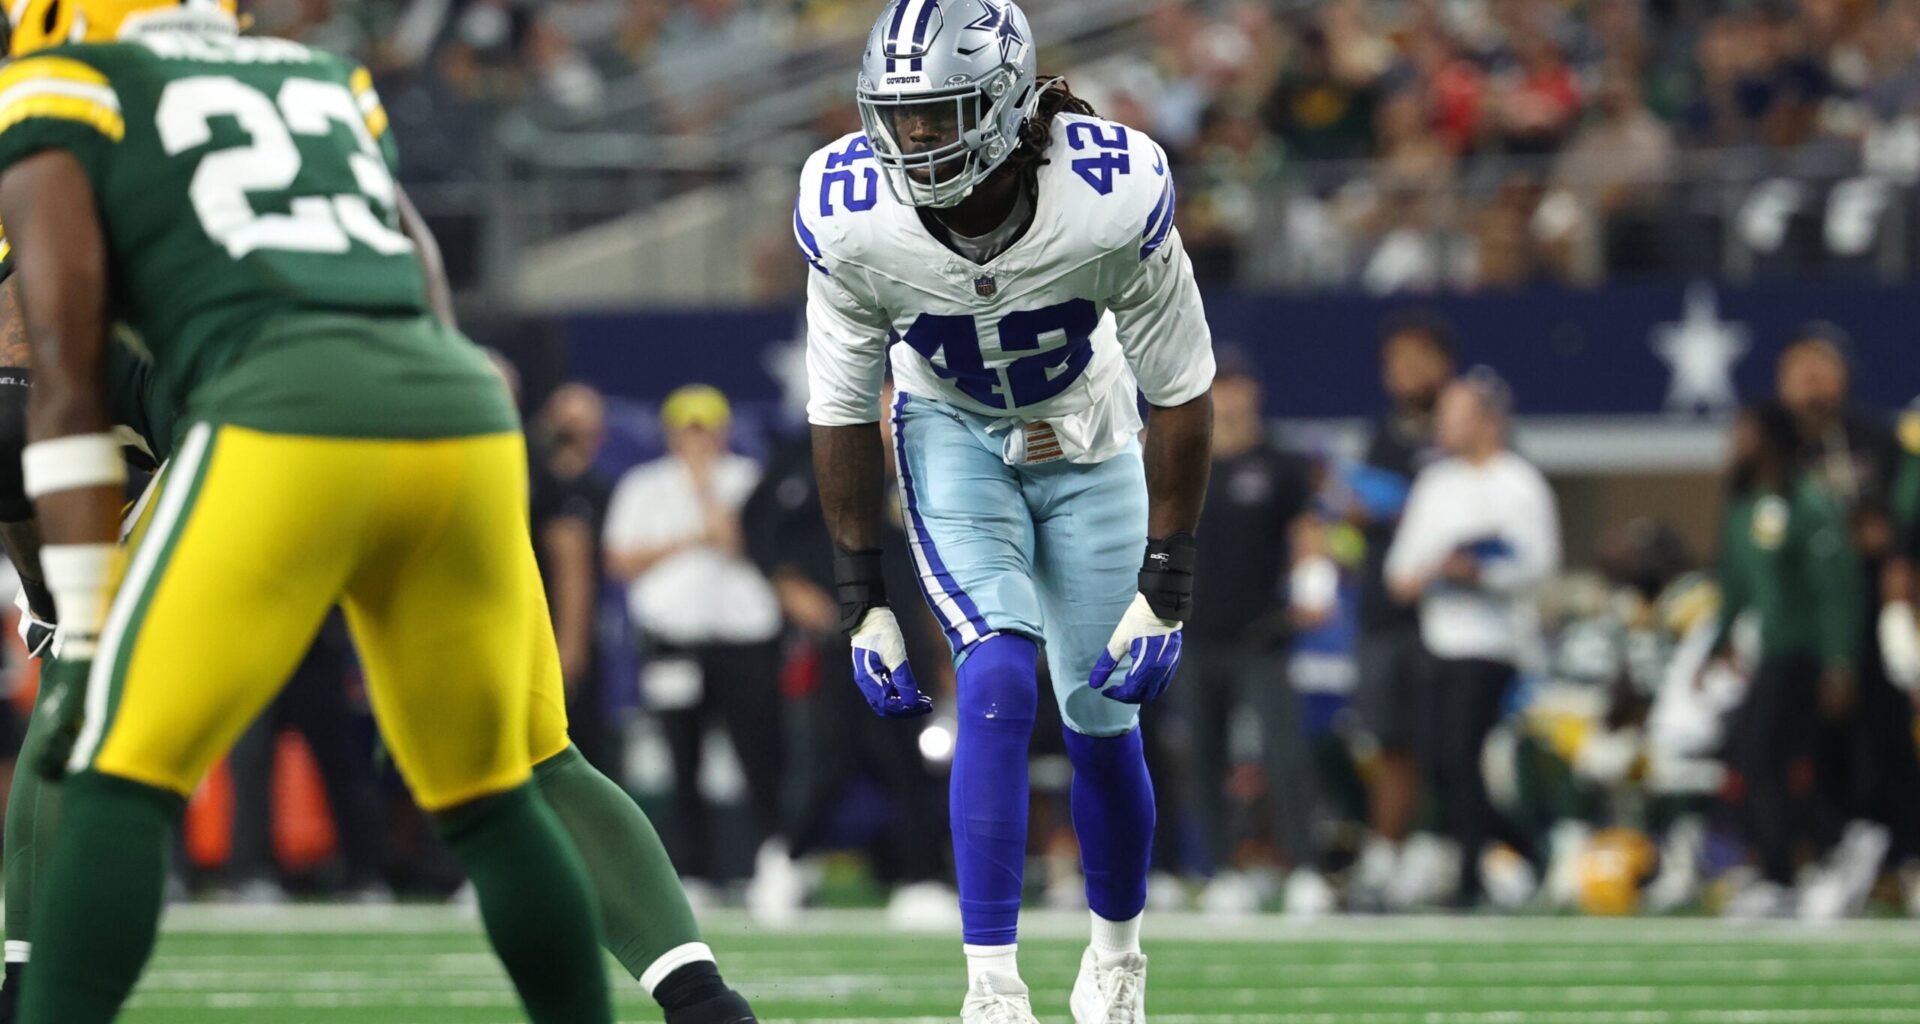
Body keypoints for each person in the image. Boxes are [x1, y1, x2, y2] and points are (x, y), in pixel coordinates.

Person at [0, 7, 752, 1021]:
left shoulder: (68, 89)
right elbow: (414, 254)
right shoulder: (315, 78)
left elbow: (55, 359)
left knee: (109, 760)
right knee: (509, 780)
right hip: (454, 410)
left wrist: (83, 611)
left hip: (280, 417)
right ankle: (709, 1009)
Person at [796, 2, 1216, 1020]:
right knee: (993, 668)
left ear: (1003, 101)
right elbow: (841, 408)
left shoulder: (1110, 194)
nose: (914, 139)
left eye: (941, 114)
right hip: (952, 434)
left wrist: (1168, 578)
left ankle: (1117, 958)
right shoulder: (850, 211)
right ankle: (992, 985)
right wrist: (862, 596)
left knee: (1102, 714)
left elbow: (1185, 391)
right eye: (899, 117)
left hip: (1092, 435)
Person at [603, 384, 793, 918]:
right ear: (671, 434)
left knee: (760, 754)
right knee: (680, 758)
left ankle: (776, 864)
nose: (697, 441)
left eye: (705, 429)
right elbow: (619, 559)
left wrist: (710, 497)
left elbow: (757, 548)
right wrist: (690, 536)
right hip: (674, 640)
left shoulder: (747, 480)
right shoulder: (644, 487)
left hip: (743, 639)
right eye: (688, 430)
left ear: (722, 432)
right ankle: (692, 872)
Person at [1154, 347, 1322, 908]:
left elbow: (1307, 534)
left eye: (1236, 384)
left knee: (1283, 755)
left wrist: (1312, 591)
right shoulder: (1182, 459)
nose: (1228, 396)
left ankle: (1304, 871)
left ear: (1253, 391)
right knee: (1202, 758)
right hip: (1193, 632)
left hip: (1261, 634)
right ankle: (1220, 871)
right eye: (1218, 384)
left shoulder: (1280, 463)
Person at [1385, 369, 1560, 907]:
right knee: (1441, 762)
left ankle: (1470, 877)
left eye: (1454, 414)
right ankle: (1529, 848)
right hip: (1439, 638)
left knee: (1461, 755)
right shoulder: (1436, 483)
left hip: (1493, 643)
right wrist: (1434, 571)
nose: (1441, 425)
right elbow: (1401, 570)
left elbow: (1541, 565)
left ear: (1487, 420)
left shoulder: (1519, 482)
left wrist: (1480, 572)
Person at [1711, 402, 1867, 919]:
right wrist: (1717, 643)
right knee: (1755, 760)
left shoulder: (1808, 502)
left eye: (1745, 429)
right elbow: (1735, 586)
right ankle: (1800, 860)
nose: (1734, 439)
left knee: (1770, 758)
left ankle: (1817, 856)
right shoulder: (1745, 504)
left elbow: (1835, 588)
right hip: (1771, 652)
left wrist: (1839, 659)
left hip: (1803, 652)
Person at [1348, 313, 1453, 908]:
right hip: (1385, 611)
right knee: (1387, 737)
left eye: (1417, 359)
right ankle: (1390, 853)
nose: (1405, 373)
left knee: (1443, 743)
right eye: (1396, 362)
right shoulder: (1382, 436)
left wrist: (1395, 510)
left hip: (1447, 617)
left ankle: (1444, 853)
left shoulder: (1464, 429)